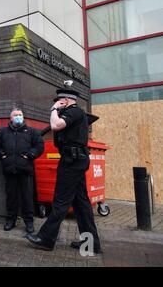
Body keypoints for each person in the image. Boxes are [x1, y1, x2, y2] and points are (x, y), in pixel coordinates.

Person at [26, 89, 102, 254]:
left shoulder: (73, 112)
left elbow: (55, 125)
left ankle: (46, 239)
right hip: (75, 161)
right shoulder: (74, 113)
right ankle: (91, 244)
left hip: (71, 163)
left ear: (67, 100)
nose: (57, 104)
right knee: (81, 204)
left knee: (61, 202)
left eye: (59, 101)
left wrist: (53, 109)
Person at [0, 108, 44, 234]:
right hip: (10, 169)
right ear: (10, 118)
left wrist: (31, 154)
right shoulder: (3, 132)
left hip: (25, 170)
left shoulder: (31, 131)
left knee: (27, 197)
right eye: (15, 115)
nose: (18, 117)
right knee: (11, 197)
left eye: (20, 115)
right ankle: (11, 220)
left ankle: (29, 222)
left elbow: (39, 146)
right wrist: (1, 155)